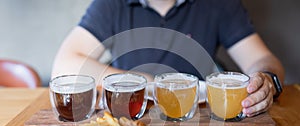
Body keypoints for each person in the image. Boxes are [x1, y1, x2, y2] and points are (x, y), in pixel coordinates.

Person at [51, 0, 285, 118]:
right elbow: (65, 64)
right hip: (130, 120)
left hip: (195, 119)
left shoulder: (219, 3)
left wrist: (266, 80)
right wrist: (149, 82)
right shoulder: (112, 4)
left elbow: (262, 59)